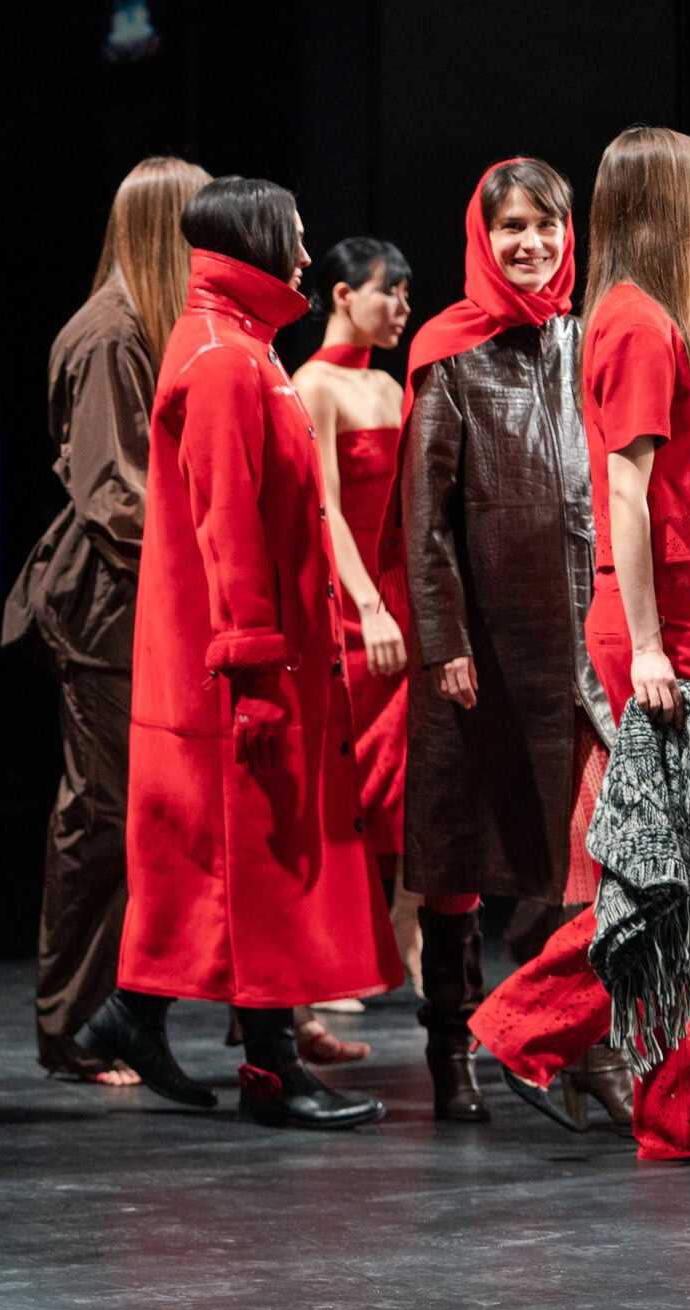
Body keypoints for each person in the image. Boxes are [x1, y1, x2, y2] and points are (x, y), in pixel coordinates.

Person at [76, 177, 400, 1131]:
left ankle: (133, 1017)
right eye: (292, 239)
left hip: (249, 660)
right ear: (256, 243)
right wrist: (255, 671)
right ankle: (267, 1068)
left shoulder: (240, 345)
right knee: (259, 864)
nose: (303, 257)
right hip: (240, 669)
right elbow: (231, 529)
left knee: (241, 863)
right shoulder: (224, 359)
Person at [471, 127, 690, 1161]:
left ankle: (679, 1109)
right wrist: (657, 646)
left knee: (676, 880)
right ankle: (521, 1026)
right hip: (652, 626)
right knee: (660, 876)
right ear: (670, 209)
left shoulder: (646, 321)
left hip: (667, 615)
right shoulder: (635, 325)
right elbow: (623, 494)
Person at [398, 158, 622, 1125]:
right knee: (458, 862)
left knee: (592, 853)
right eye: (511, 227)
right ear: (482, 239)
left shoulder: (588, 339)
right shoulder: (449, 351)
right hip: (481, 651)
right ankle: (451, 1050)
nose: (530, 243)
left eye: (546, 224)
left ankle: (580, 1047)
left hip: (579, 647)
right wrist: (443, 638)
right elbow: (425, 520)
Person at [3, 155, 209, 1086]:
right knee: (103, 812)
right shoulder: (110, 333)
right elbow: (112, 496)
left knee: (145, 817)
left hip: (141, 601)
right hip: (106, 607)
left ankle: (120, 1015)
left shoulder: (152, 325)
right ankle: (71, 1025)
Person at [287, 235, 417, 1065]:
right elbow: (325, 508)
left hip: (400, 607)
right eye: (388, 292)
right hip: (349, 611)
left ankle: (400, 937)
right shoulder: (315, 385)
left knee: (407, 784)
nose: (401, 307)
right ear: (341, 295)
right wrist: (367, 604)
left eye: (405, 294)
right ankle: (310, 976)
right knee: (343, 790)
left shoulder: (390, 386)